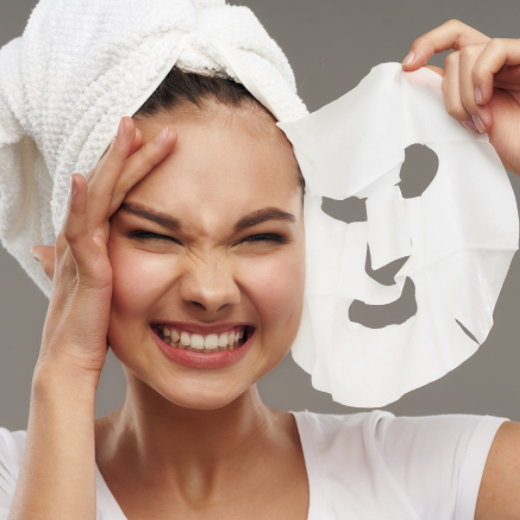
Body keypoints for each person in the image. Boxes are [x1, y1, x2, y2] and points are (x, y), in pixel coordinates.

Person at [1, 12, 520, 520]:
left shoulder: (458, 481)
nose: (210, 290)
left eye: (259, 237)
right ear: (71, 248)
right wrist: (65, 368)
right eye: (155, 236)